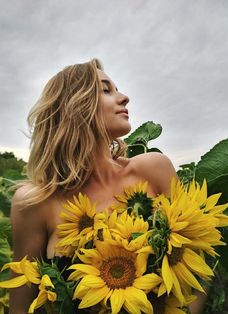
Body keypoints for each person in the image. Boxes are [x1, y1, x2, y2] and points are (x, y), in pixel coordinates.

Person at [9, 58, 202, 313]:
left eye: (117, 88)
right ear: (74, 105)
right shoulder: (35, 202)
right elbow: (21, 306)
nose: (124, 98)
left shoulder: (154, 170)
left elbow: (195, 266)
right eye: (105, 89)